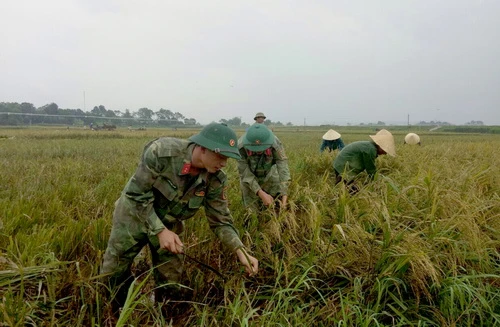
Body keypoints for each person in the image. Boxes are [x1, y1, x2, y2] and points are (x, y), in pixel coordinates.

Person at [101, 123, 259, 314]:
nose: (224, 163)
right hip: (132, 217)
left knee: (171, 282)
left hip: (169, 225)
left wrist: (240, 250)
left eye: (228, 158)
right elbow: (136, 195)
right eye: (221, 156)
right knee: (113, 273)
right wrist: (159, 231)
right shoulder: (162, 152)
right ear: (203, 148)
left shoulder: (215, 179)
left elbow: (221, 220)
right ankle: (114, 313)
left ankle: (165, 316)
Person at [237, 124, 291, 212]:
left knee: (276, 204)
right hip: (249, 178)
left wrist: (284, 195)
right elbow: (244, 173)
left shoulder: (275, 143)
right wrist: (261, 193)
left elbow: (283, 167)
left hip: (270, 174)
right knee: (251, 211)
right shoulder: (240, 147)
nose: (258, 151)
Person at [333, 129, 396, 194]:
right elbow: (370, 168)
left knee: (346, 189)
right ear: (380, 146)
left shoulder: (369, 147)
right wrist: (377, 182)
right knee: (351, 191)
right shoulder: (370, 149)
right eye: (385, 150)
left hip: (341, 166)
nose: (385, 153)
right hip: (343, 167)